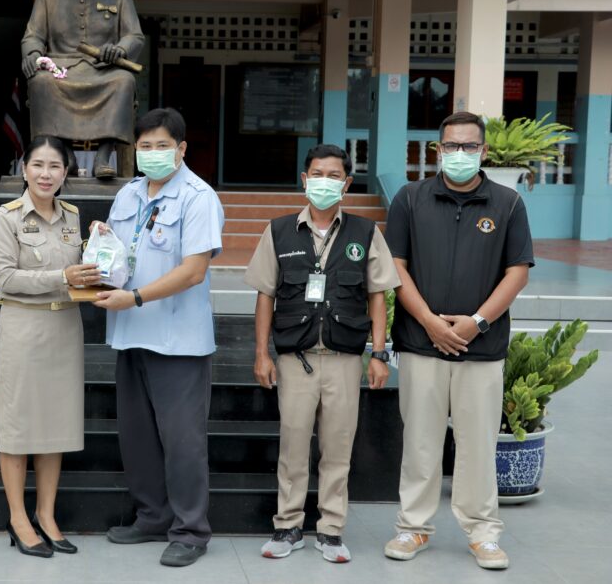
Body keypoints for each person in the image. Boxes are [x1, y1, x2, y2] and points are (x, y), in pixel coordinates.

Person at [383, 111, 533, 570]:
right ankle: (413, 526)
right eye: (452, 146)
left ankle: (483, 533)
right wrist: (429, 321)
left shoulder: (508, 203)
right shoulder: (410, 199)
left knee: (477, 444)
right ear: (438, 150)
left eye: (469, 146)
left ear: (483, 151)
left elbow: (517, 272)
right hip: (420, 343)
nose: (460, 154)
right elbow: (395, 267)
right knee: (420, 442)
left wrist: (477, 323)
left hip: (480, 349)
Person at [244, 144, 400, 563]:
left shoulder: (365, 233)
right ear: (304, 179)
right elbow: (265, 296)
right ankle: (288, 526)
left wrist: (379, 354)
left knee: (337, 448)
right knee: (293, 445)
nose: (324, 182)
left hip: (345, 360)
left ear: (347, 184)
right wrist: (261, 354)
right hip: (295, 360)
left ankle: (331, 530)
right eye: (317, 174)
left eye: (334, 176)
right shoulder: (279, 231)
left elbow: (378, 296)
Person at [91, 107, 224, 567]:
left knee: (183, 441)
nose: (151, 153)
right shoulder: (128, 193)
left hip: (178, 340)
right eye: (144, 146)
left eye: (161, 146)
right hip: (131, 333)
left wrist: (135, 298)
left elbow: (194, 270)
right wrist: (101, 242)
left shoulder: (197, 197)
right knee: (138, 436)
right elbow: (119, 255)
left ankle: (190, 530)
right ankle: (152, 517)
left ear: (181, 149)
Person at [0, 135, 102, 558]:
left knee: (55, 426)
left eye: (55, 166)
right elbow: (5, 279)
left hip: (64, 327)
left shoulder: (72, 216)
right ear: (24, 169)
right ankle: (18, 518)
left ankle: (47, 515)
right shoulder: (6, 218)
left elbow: (82, 270)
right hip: (24, 326)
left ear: (66, 172)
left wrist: (101, 246)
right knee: (18, 427)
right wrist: (63, 277)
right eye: (38, 165)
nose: (46, 174)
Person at [21, 0, 145, 178]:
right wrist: (32, 55)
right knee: (40, 81)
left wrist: (119, 49)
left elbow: (134, 36)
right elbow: (33, 36)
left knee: (124, 80)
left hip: (104, 70)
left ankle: (103, 157)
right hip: (60, 71)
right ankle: (66, 156)